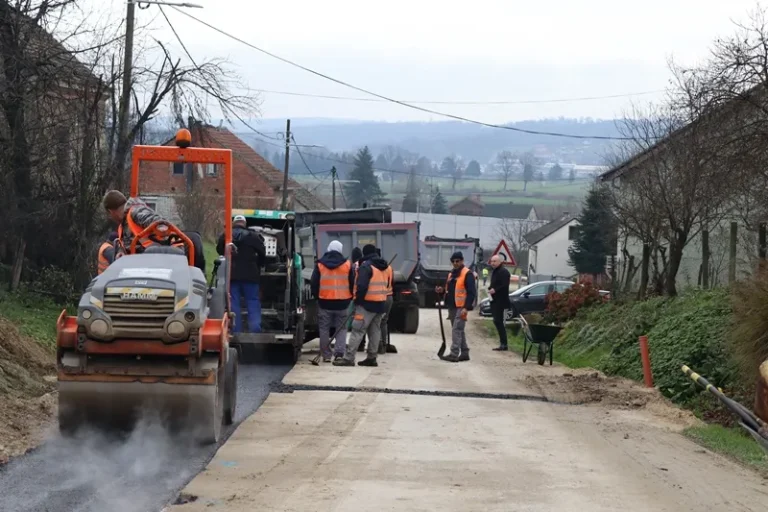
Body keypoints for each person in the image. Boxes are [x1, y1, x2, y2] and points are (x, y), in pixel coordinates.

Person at [335, 244, 389, 367]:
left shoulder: (366, 266)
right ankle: (372, 357)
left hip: (366, 304)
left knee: (357, 330)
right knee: (375, 331)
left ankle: (349, 358)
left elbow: (362, 286)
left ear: (364, 254)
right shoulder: (384, 266)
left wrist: (358, 301)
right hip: (380, 303)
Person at [217, 215, 266, 334]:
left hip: (232, 275)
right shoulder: (253, 236)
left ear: (234, 224)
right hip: (251, 276)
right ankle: (255, 328)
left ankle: (236, 329)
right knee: (252, 301)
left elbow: (219, 250)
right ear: (245, 224)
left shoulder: (226, 236)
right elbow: (262, 253)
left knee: (234, 302)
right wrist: (259, 265)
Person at [311, 240, 353, 363]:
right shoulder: (347, 264)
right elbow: (352, 282)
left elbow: (314, 283)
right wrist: (350, 297)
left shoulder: (320, 264)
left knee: (324, 329)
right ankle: (339, 353)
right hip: (343, 302)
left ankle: (326, 355)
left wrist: (317, 297)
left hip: (324, 302)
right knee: (341, 328)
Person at [435, 251, 476, 363]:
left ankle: (454, 354)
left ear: (462, 261)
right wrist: (441, 290)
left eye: (457, 261)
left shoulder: (468, 274)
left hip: (461, 307)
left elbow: (472, 293)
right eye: (453, 261)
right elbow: (449, 289)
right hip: (452, 306)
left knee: (456, 329)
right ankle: (465, 352)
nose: (455, 263)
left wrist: (466, 308)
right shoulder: (451, 274)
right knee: (459, 330)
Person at [102, 190, 167, 254]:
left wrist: (161, 228)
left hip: (154, 258)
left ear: (110, 211)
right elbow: (127, 245)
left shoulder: (136, 212)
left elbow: (158, 222)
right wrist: (121, 251)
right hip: (139, 261)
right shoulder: (122, 227)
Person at [488, 254, 511, 351]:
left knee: (498, 321)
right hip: (494, 299)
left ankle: (504, 344)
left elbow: (504, 286)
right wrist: (489, 289)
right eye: (492, 261)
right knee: (496, 321)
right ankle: (503, 343)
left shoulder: (504, 272)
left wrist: (495, 290)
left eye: (494, 261)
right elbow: (494, 283)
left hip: (500, 300)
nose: (492, 263)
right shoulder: (495, 271)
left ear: (500, 262)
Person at [377, 248, 394, 355]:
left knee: (375, 322)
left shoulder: (374, 267)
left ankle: (376, 345)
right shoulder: (389, 267)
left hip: (378, 297)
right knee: (383, 322)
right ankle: (383, 345)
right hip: (389, 297)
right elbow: (393, 282)